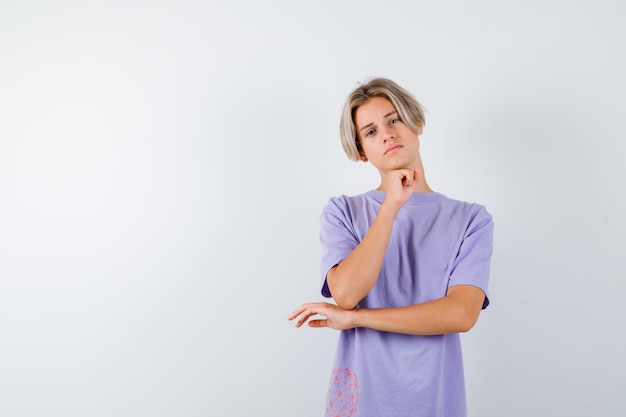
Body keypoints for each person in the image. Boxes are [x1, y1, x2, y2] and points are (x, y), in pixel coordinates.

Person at [288, 77, 494, 417]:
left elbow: (461, 314)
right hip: (363, 398)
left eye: (393, 119)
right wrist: (391, 206)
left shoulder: (471, 219)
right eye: (370, 132)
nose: (386, 134)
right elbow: (346, 293)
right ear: (360, 151)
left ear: (417, 122)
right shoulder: (343, 212)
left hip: (435, 400)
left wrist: (355, 320)